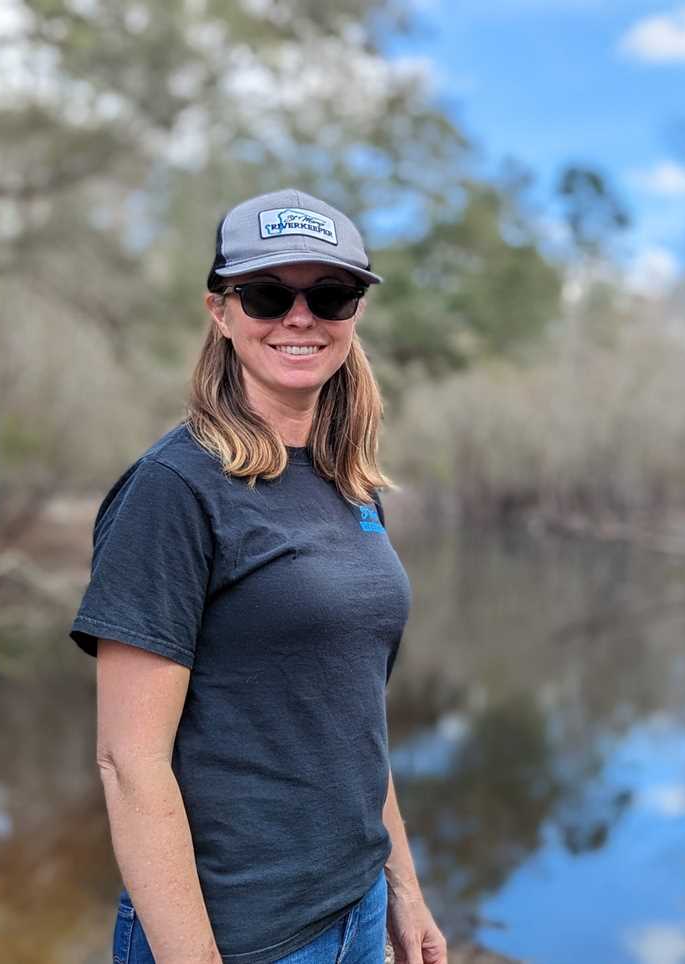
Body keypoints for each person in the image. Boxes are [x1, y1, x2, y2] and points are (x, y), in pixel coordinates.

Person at [69, 188, 447, 964]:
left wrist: (402, 887)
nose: (299, 317)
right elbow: (128, 763)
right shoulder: (174, 489)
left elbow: (351, 716)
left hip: (355, 908)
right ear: (221, 310)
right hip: (238, 935)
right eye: (268, 294)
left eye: (330, 294)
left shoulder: (351, 484)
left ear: (355, 314)